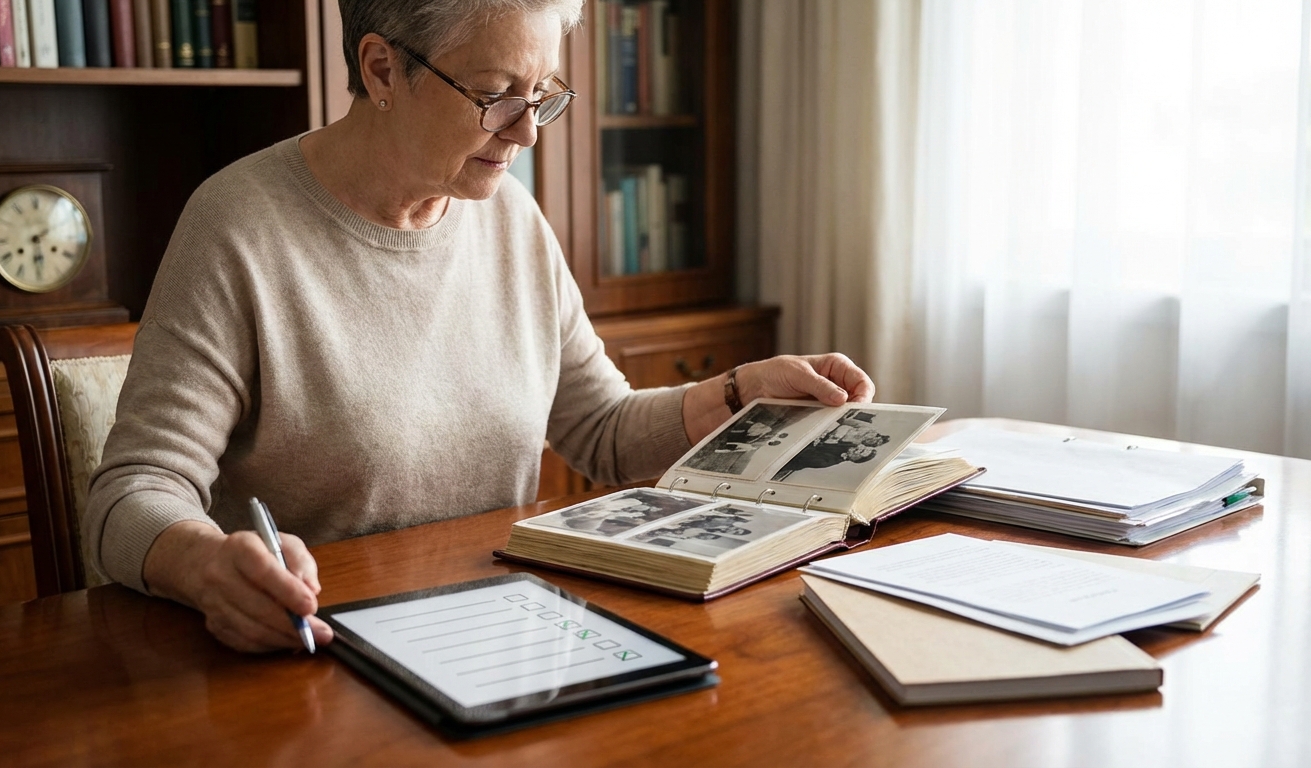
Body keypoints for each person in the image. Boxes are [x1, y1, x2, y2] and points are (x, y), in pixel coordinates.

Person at [84, 0, 875, 654]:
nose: (529, 133)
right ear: (381, 69)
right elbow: (132, 493)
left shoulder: (510, 218)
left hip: (496, 638)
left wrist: (738, 393)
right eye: (497, 95)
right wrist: (209, 565)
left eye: (544, 96)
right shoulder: (238, 226)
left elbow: (599, 427)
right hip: (317, 647)